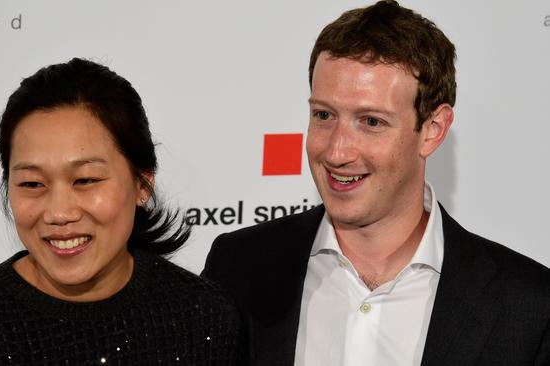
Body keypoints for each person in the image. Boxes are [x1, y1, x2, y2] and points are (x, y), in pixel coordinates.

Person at [202, 1, 550, 365]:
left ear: (432, 130)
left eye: (371, 122)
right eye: (324, 115)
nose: (337, 151)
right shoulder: (239, 269)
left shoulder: (528, 308)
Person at [0, 58, 241, 365]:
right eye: (33, 184)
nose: (59, 213)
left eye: (85, 180)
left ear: (142, 184)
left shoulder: (202, 317)